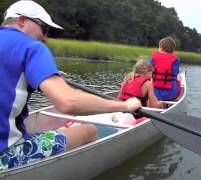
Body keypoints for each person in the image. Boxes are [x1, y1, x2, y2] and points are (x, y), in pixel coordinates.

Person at [0, 0, 141, 170]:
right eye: (44, 29)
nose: (45, 38)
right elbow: (68, 103)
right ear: (22, 20)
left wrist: (45, 75)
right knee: (88, 130)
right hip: (5, 157)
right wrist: (124, 105)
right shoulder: (31, 47)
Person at [150, 36, 181, 101]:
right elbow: (176, 73)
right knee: (179, 79)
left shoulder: (154, 58)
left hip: (154, 92)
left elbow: (149, 71)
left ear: (161, 48)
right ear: (172, 50)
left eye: (159, 47)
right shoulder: (176, 59)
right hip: (171, 94)